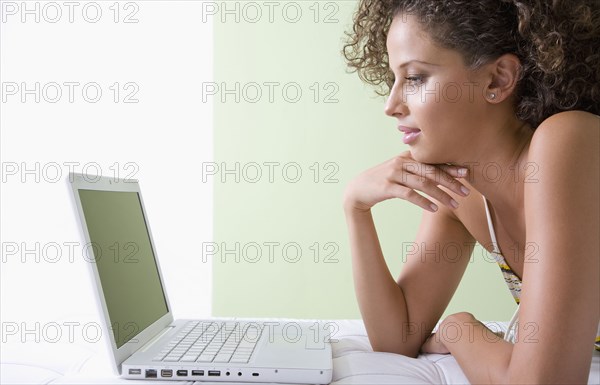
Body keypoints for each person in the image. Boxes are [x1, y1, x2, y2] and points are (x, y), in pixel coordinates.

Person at [341, 0, 600, 383]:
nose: (391, 105)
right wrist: (355, 208)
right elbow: (398, 338)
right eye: (394, 79)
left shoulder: (571, 140)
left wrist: (458, 328)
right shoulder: (462, 191)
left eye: (414, 78)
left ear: (497, 80)